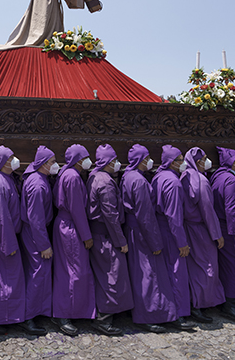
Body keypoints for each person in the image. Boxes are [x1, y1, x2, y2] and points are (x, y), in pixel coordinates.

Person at [121, 144, 178, 332]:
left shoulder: (127, 176)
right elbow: (145, 215)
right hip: (141, 232)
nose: (150, 161)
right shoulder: (139, 181)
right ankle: (148, 314)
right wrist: (155, 242)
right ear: (141, 160)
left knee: (139, 272)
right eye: (147, 158)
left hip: (133, 230)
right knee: (148, 274)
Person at [86, 144, 132, 336]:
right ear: (109, 162)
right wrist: (121, 241)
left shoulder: (94, 176)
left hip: (99, 233)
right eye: (114, 161)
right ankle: (104, 319)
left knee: (105, 274)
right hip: (106, 235)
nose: (117, 164)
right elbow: (110, 215)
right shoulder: (105, 182)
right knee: (112, 275)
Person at [51, 144, 95, 336]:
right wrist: (87, 236)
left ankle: (70, 311)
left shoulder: (66, 174)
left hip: (65, 224)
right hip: (71, 227)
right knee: (74, 271)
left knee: (67, 270)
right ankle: (64, 314)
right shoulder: (73, 177)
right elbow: (77, 210)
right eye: (85, 157)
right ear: (79, 160)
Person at [0, 146, 28, 333]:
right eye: (11, 157)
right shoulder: (0, 184)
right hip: (2, 238)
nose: (15, 160)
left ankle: (9, 315)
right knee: (4, 279)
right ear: (3, 162)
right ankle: (3, 317)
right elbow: (2, 217)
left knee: (7, 278)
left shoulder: (5, 179)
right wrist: (8, 244)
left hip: (5, 236)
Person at [180, 147, 226, 323]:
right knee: (207, 267)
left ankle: (193, 302)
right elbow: (208, 210)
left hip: (187, 228)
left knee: (193, 266)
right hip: (201, 229)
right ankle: (201, 304)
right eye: (205, 158)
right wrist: (217, 234)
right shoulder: (202, 181)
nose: (207, 161)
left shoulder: (185, 176)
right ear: (198, 161)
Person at [151, 146, 194, 330]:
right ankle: (178, 313)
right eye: (180, 159)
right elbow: (174, 218)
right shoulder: (173, 183)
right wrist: (182, 242)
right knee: (177, 272)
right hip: (170, 231)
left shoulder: (158, 177)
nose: (183, 163)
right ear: (172, 162)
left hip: (160, 228)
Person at [209, 147, 235, 323]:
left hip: (218, 225)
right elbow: (231, 210)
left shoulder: (216, 176)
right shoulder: (231, 181)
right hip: (228, 226)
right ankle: (231, 305)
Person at [19, 146, 57, 333]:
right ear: (43, 164)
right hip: (35, 234)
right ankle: (28, 317)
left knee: (39, 272)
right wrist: (44, 245)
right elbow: (36, 219)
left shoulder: (39, 179)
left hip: (35, 231)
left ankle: (37, 311)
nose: (55, 165)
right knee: (37, 272)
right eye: (52, 162)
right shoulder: (37, 184)